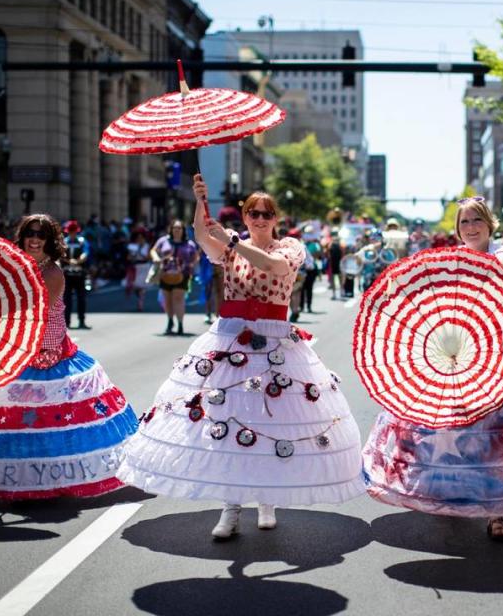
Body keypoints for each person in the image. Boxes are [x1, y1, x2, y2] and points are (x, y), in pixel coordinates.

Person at [117, 175, 364, 540]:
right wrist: (200, 201)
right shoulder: (231, 248)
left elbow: (273, 267)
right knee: (227, 419)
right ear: (246, 217)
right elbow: (202, 236)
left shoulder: (290, 247)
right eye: (253, 213)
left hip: (275, 340)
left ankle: (267, 500)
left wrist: (232, 238)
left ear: (275, 218)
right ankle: (231, 507)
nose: (260, 218)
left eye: (266, 213)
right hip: (231, 337)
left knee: (272, 420)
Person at [363, 196, 503, 542]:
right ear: (458, 229)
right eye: (464, 223)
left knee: (498, 440)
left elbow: (498, 296)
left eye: (476, 220)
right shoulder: (453, 259)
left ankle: (498, 513)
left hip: (499, 361)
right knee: (448, 433)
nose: (470, 227)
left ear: (489, 223)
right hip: (459, 359)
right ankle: (451, 496)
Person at [0, 215, 137, 500]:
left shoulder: (52, 272)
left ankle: (46, 478)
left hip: (46, 351)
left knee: (42, 416)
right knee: (7, 415)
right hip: (16, 346)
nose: (35, 238)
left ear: (50, 241)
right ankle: (11, 474)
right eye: (30, 232)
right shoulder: (12, 269)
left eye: (41, 234)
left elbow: (34, 312)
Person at [151, 220, 199, 336]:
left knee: (178, 298)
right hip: (165, 274)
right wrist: (156, 258)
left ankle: (180, 324)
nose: (177, 230)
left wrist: (192, 264)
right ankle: (170, 321)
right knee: (167, 300)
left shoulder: (189, 244)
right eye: (175, 228)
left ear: (183, 230)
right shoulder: (164, 241)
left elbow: (196, 256)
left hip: (182, 274)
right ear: (171, 229)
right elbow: (153, 250)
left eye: (179, 228)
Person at [62, 220, 90, 329]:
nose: (72, 233)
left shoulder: (82, 241)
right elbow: (60, 254)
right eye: (70, 231)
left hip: (79, 274)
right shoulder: (64, 242)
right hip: (67, 274)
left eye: (73, 231)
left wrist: (78, 261)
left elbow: (86, 253)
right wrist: (68, 261)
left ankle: (81, 320)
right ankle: (66, 322)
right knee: (66, 299)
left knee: (81, 298)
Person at [126, 227, 151, 312]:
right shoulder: (132, 246)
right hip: (135, 267)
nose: (140, 239)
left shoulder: (147, 246)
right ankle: (139, 297)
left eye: (141, 237)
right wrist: (133, 256)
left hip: (144, 267)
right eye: (138, 237)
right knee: (136, 287)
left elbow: (148, 257)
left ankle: (140, 303)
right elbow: (128, 257)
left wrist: (141, 252)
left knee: (142, 288)